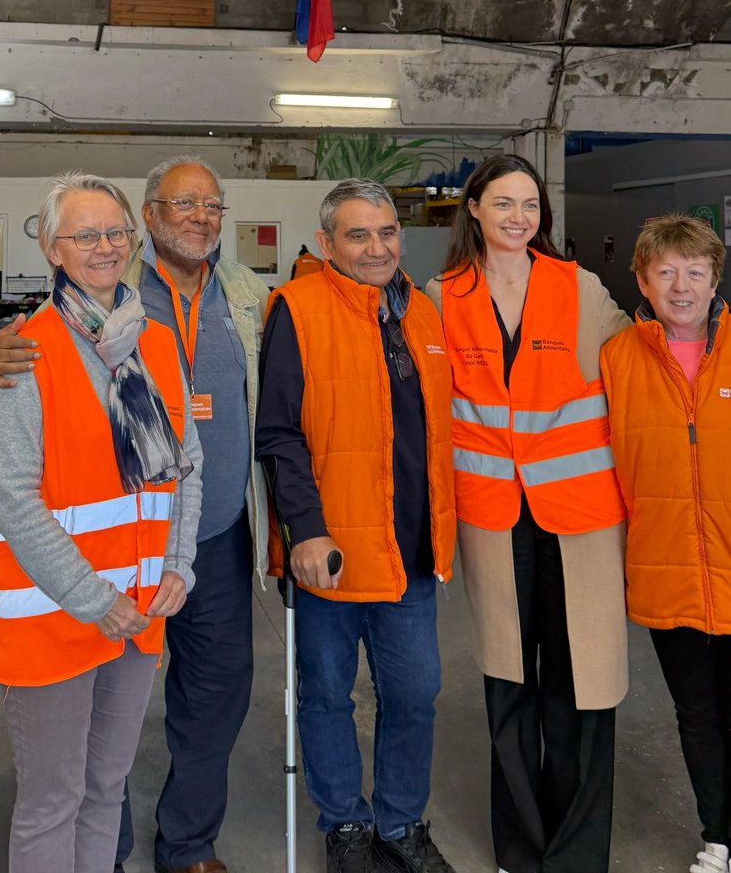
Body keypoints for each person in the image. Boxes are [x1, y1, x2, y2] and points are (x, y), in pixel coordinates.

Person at [0, 171, 203, 873]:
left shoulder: (156, 344)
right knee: (53, 799)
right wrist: (92, 599)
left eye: (115, 232)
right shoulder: (27, 350)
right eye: (84, 235)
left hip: (136, 611)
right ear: (51, 247)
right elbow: (14, 497)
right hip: (57, 615)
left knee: (107, 789)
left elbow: (185, 466)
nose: (103, 247)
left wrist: (178, 564)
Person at [425, 154, 629, 873]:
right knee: (509, 685)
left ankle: (575, 855)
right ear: (473, 209)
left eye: (530, 206)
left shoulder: (579, 288)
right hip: (492, 516)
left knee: (582, 685)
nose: (518, 218)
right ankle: (520, 846)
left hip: (579, 518)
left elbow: (635, 371)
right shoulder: (440, 296)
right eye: (503, 203)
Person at [256, 178, 456, 873]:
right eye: (358, 235)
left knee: (414, 694)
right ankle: (344, 824)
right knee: (324, 695)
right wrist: (305, 530)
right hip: (331, 553)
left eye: (387, 233)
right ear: (326, 244)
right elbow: (278, 432)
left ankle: (401, 824)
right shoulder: (297, 309)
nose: (377, 248)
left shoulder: (422, 313)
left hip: (409, 551)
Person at [117, 155, 268, 873]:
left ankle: (187, 843)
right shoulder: (109, 293)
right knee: (108, 697)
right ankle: (102, 845)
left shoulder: (244, 293)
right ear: (150, 216)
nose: (203, 217)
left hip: (217, 538)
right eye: (185, 204)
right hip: (128, 537)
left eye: (213, 206)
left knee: (215, 696)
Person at [601, 215, 731, 873]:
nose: (681, 286)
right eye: (666, 272)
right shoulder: (618, 359)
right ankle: (720, 836)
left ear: (715, 279)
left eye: (696, 272)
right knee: (697, 712)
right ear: (643, 282)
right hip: (664, 567)